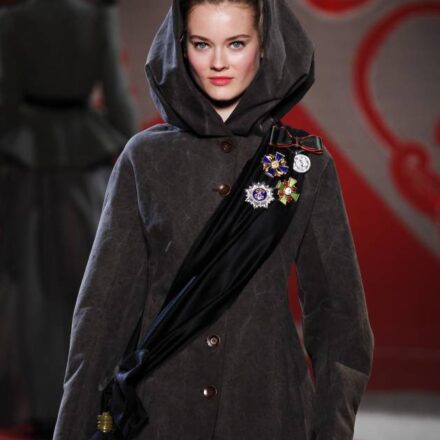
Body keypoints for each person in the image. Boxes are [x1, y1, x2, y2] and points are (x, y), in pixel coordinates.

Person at [54, 0, 374, 439]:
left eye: (236, 43)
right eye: (202, 44)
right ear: (180, 47)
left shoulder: (303, 163)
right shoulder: (145, 159)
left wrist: (331, 430)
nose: (218, 62)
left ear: (265, 46)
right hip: (160, 416)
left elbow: (339, 316)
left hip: (268, 411)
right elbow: (101, 314)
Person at [0, 0, 138, 436]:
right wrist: (133, 148)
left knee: (32, 290)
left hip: (29, 164)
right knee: (89, 286)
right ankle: (90, 401)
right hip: (83, 162)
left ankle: (45, 408)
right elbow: (115, 91)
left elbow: (5, 98)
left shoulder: (12, 21)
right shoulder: (96, 17)